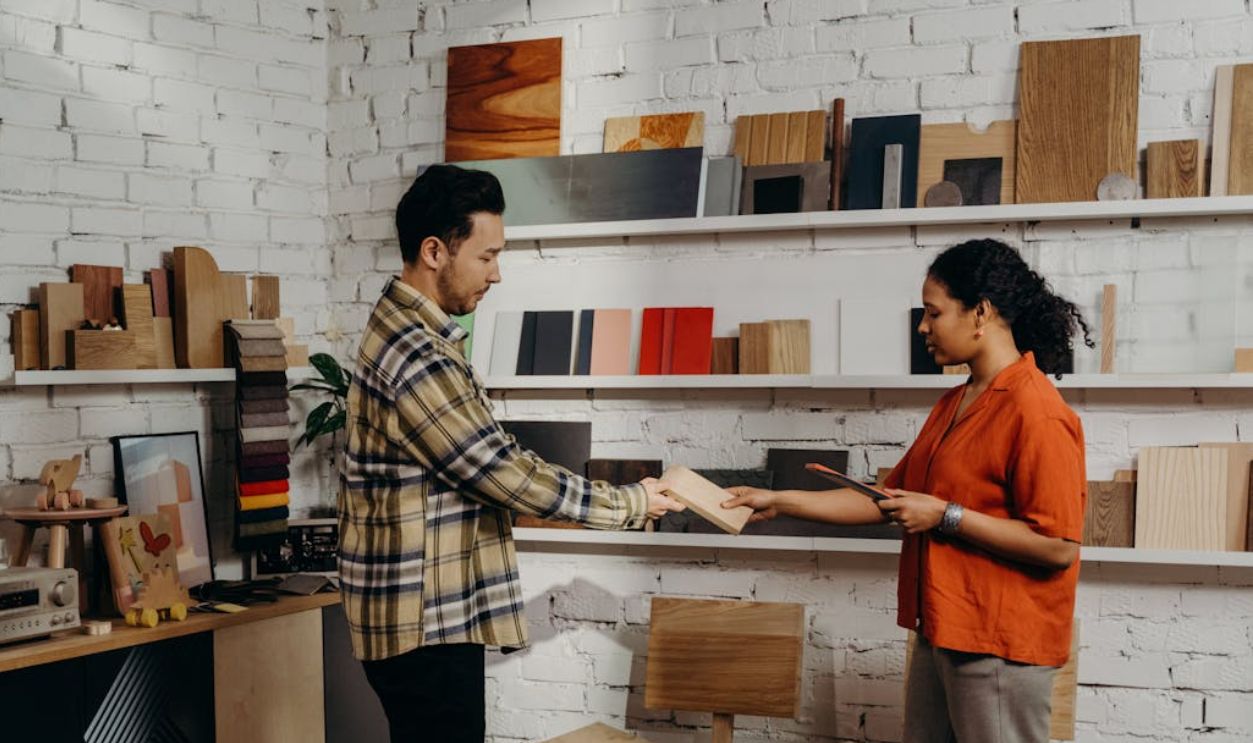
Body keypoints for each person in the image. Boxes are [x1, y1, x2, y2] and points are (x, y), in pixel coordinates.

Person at [338, 164, 684, 743]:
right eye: (486, 255)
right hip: (425, 624)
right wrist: (628, 502)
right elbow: (500, 471)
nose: (497, 274)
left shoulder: (410, 333)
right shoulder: (416, 352)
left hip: (426, 618)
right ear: (434, 251)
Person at [723, 238, 1093, 743]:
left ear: (980, 313)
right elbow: (887, 499)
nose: (922, 327)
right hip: (942, 632)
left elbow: (1058, 546)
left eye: (933, 313)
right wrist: (778, 500)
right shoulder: (954, 403)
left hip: (999, 646)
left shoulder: (1037, 411)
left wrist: (946, 516)